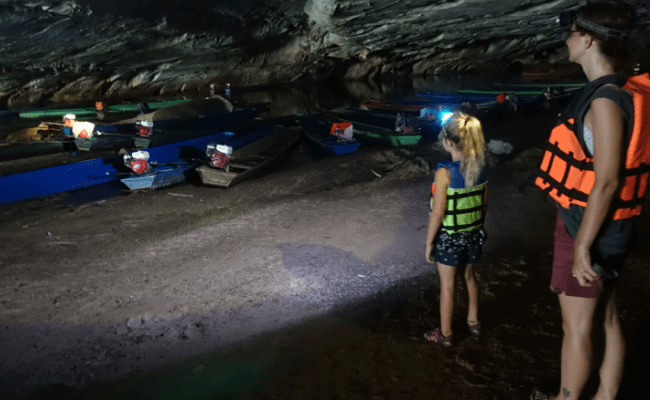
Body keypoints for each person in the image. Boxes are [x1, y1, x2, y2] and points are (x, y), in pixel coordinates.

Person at [531, 2, 650, 399]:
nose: (565, 40)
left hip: (590, 226)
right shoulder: (617, 90)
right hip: (610, 225)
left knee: (577, 327)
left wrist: (582, 248)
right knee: (607, 317)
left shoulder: (606, 99)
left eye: (570, 33)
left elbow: (607, 180)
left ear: (587, 39)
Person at [423, 111, 488, 348]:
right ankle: (473, 322)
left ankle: (446, 334)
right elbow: (484, 204)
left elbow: (438, 213)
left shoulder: (444, 173)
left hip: (449, 239)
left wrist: (430, 242)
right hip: (472, 234)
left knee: (448, 285)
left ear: (448, 143)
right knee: (470, 277)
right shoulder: (481, 167)